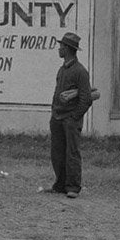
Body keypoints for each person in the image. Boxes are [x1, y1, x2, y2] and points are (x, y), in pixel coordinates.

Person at [49, 30, 94, 199]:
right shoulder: (62, 70)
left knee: (72, 153)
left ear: (67, 49)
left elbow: (86, 98)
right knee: (57, 152)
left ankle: (73, 187)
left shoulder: (80, 71)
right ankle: (60, 184)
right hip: (57, 118)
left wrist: (74, 117)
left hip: (70, 120)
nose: (59, 49)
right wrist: (54, 113)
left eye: (61, 46)